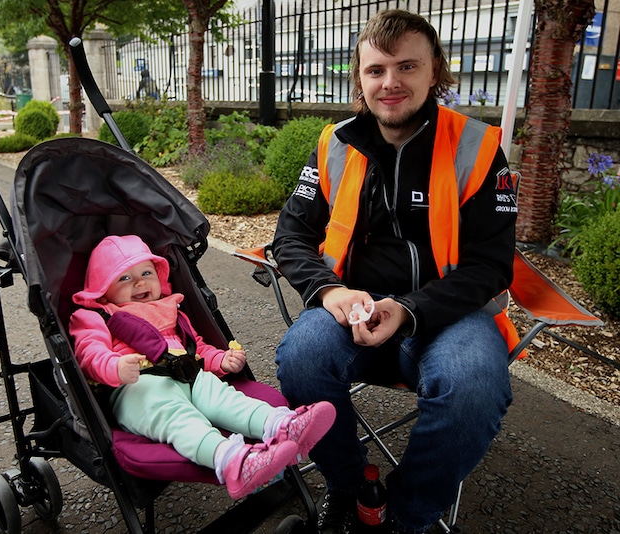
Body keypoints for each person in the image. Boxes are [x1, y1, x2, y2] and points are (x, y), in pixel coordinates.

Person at [271, 10, 519, 534]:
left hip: (451, 313)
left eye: (407, 66)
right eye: (376, 70)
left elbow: (491, 265)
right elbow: (290, 236)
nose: (390, 82)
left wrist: (409, 310)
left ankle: (404, 516)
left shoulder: (480, 149)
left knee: (472, 385)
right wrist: (328, 289)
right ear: (359, 80)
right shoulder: (334, 143)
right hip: (356, 304)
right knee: (300, 358)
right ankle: (353, 487)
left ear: (436, 74)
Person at [69, 234, 335, 500]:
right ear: (102, 288)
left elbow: (195, 347)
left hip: (188, 374)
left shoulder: (171, 308)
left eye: (146, 272)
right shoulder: (97, 316)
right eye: (124, 277)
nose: (139, 282)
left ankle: (280, 425)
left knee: (223, 397)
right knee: (179, 418)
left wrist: (220, 360)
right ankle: (232, 462)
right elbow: (88, 354)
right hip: (137, 388)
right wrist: (113, 366)